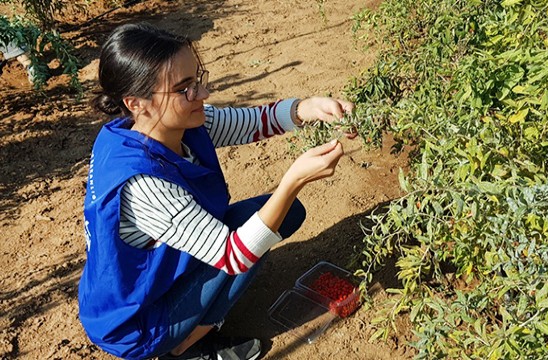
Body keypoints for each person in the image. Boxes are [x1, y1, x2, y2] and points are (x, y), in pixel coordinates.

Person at [78, 22, 355, 360]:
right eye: (184, 89)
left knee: (284, 213)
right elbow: (234, 255)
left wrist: (307, 108)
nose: (202, 94)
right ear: (137, 102)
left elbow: (254, 122)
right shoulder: (144, 185)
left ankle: (191, 327)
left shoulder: (157, 126)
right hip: (137, 322)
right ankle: (183, 347)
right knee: (263, 227)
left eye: (197, 79)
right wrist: (293, 180)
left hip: (149, 279)